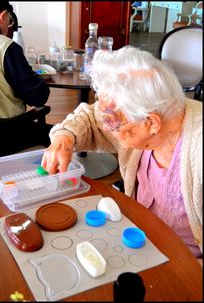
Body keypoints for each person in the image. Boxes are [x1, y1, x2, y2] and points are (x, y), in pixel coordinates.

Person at [41, 46, 202, 262]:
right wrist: (64, 138)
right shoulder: (139, 112)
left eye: (112, 121)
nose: (105, 127)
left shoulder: (197, 150)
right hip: (138, 243)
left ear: (152, 122)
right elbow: (91, 117)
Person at [0, 0, 52, 157]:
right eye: (10, 21)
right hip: (0, 136)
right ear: (3, 16)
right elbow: (38, 97)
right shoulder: (4, 46)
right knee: (57, 134)